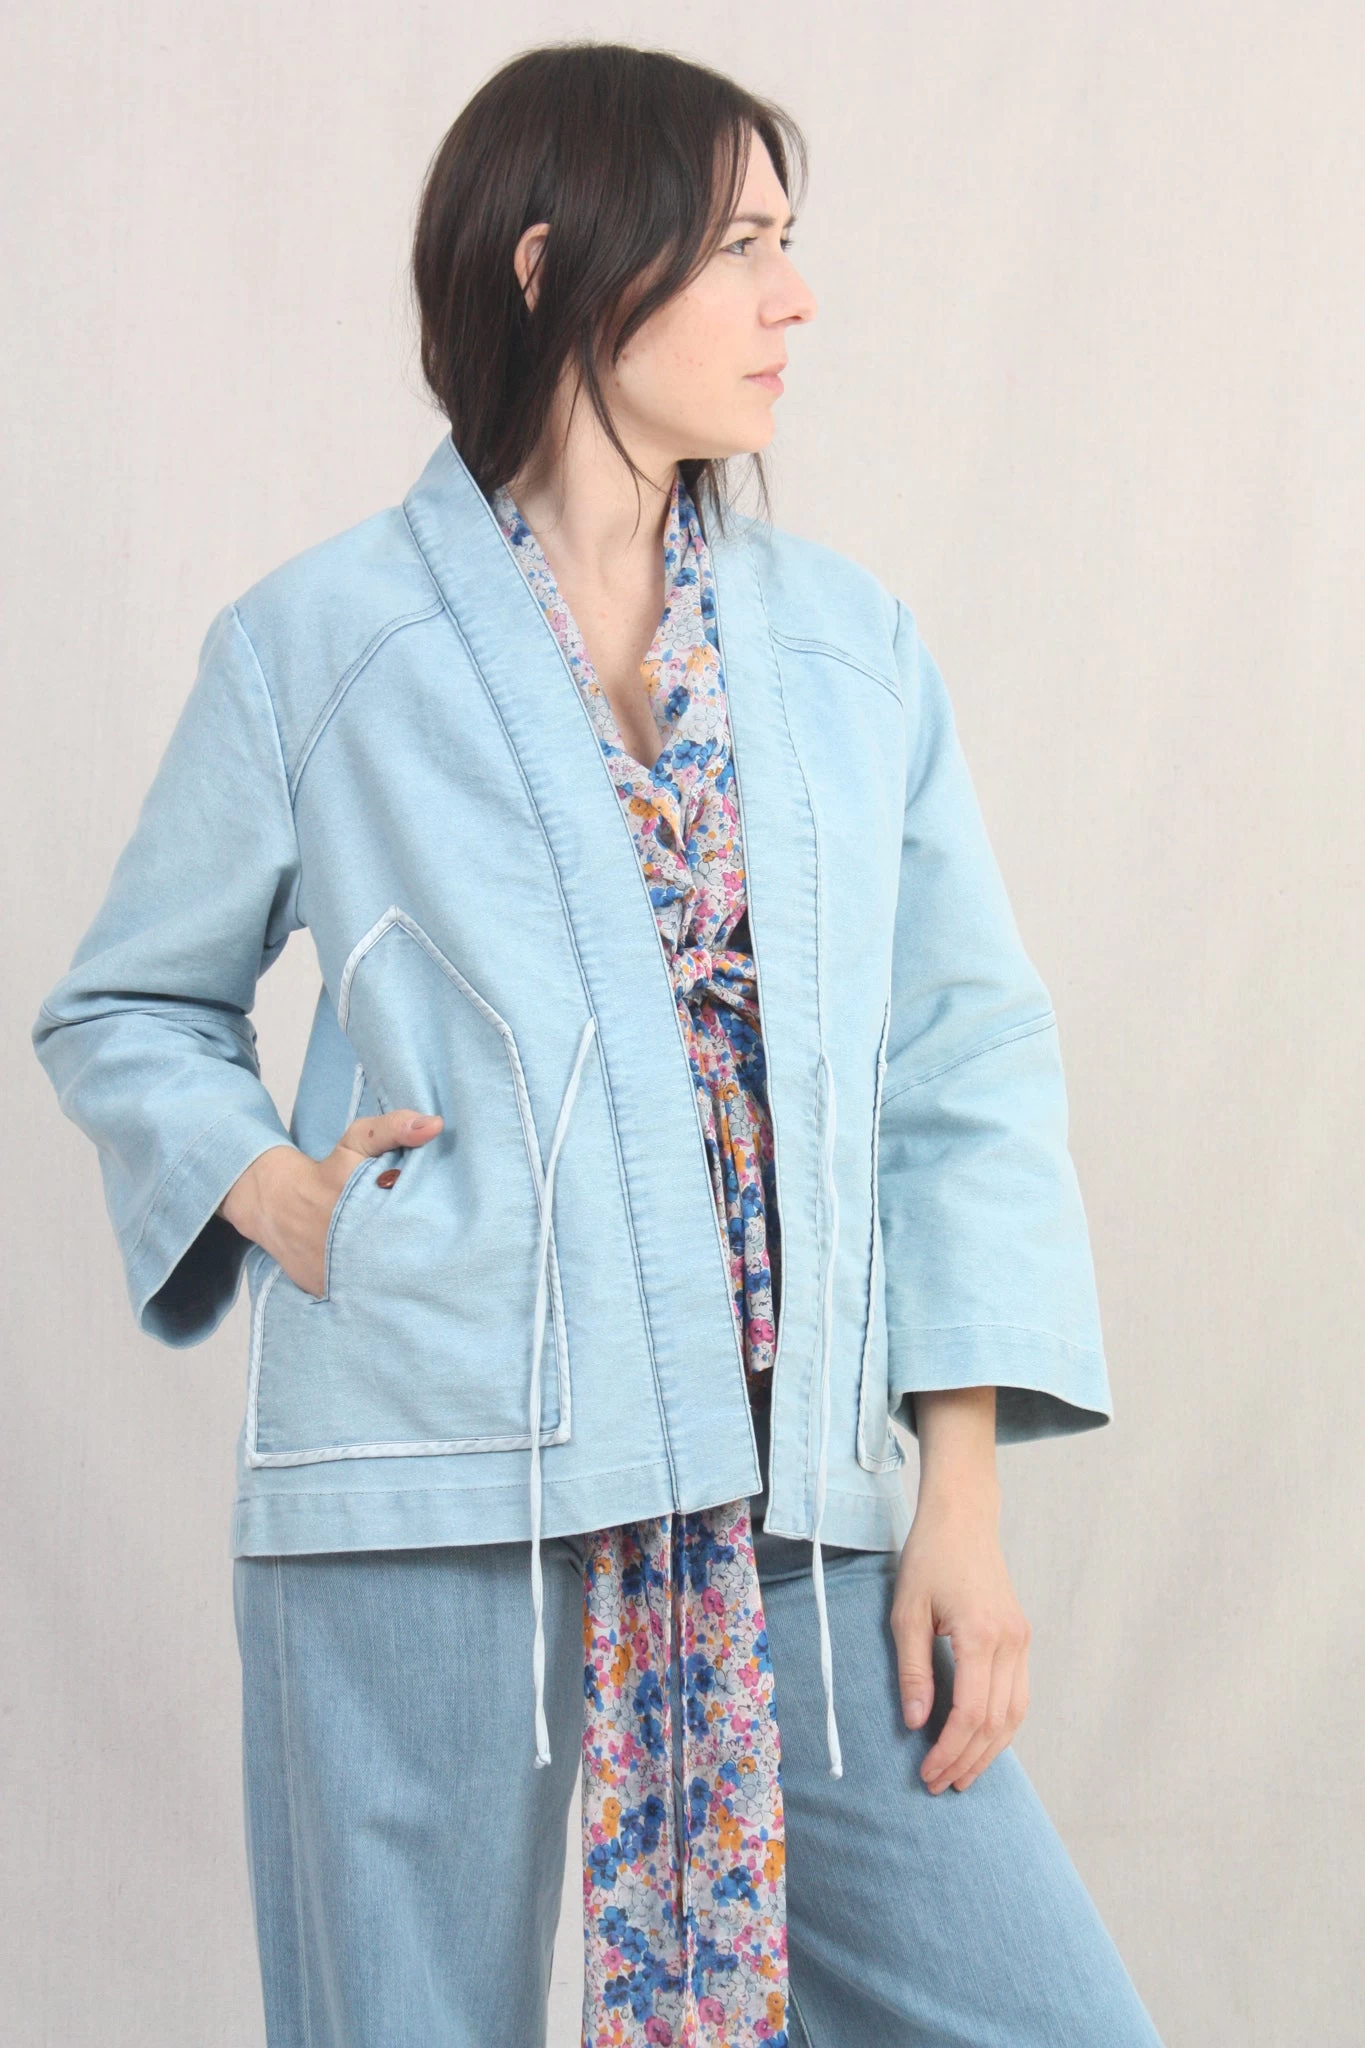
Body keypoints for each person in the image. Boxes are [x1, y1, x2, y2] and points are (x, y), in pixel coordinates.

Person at [31, 39, 1166, 2048]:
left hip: (790, 1495)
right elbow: (129, 1001)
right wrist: (276, 1194)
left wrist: (959, 1503)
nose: (793, 299)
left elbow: (959, 1061)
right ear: (556, 267)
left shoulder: (849, 653)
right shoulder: (323, 642)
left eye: (789, 247)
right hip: (426, 1469)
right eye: (739, 248)